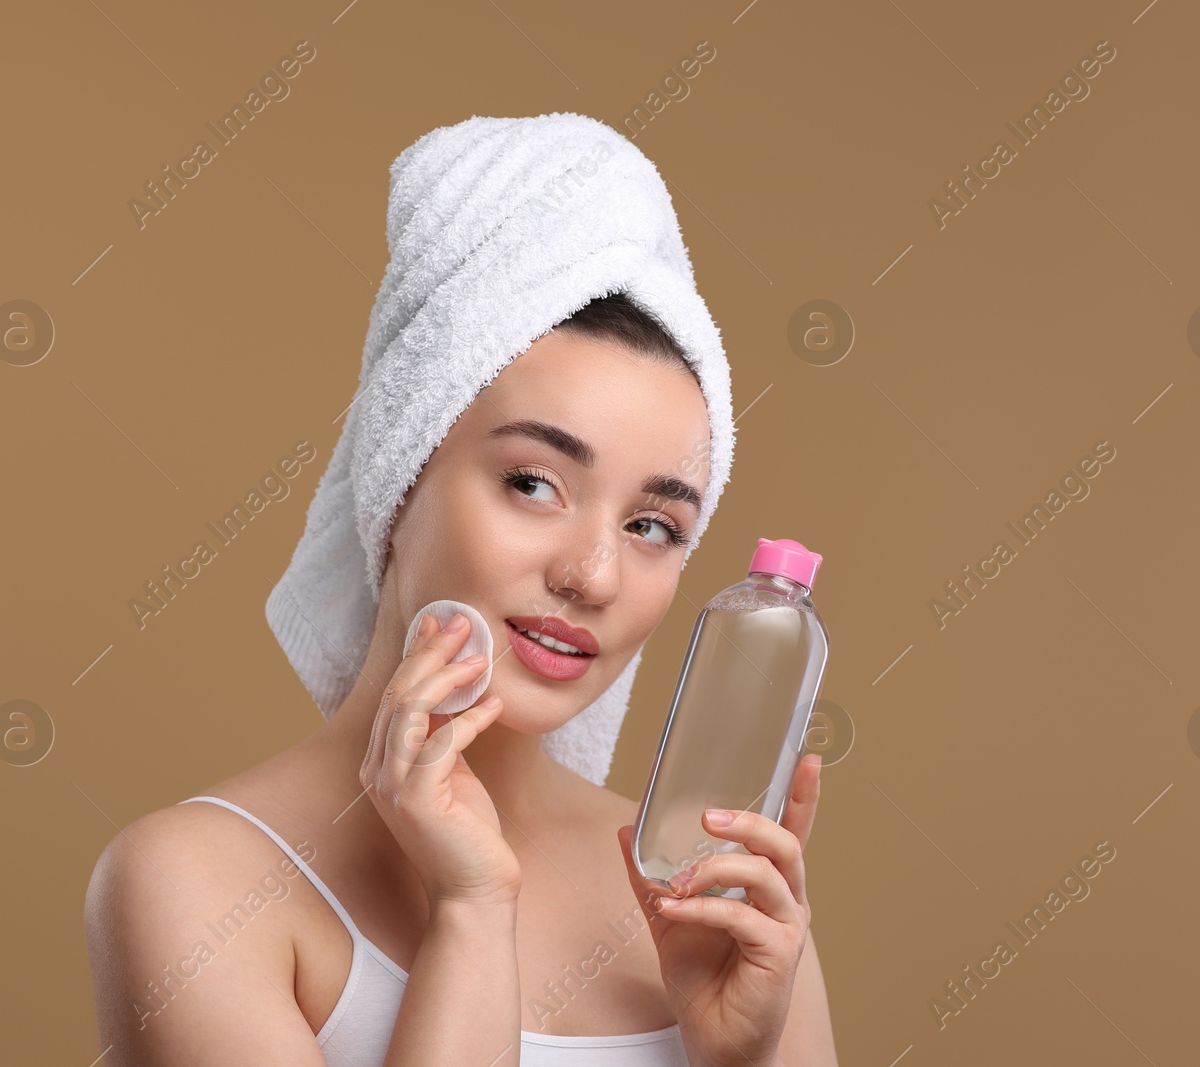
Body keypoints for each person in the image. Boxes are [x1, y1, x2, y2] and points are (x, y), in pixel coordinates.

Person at [85, 115, 838, 1067]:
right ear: (398, 481)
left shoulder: (718, 898)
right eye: (533, 482)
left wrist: (743, 1059)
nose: (592, 574)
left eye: (653, 525)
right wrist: (474, 913)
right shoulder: (192, 882)